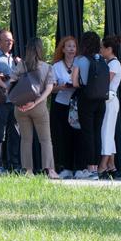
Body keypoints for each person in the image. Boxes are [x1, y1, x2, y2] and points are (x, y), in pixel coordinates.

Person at [10, 38, 58, 179]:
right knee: (45, 139)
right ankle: (50, 170)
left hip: (20, 107)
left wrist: (19, 102)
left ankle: (28, 171)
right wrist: (35, 102)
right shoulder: (47, 67)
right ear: (40, 49)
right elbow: (49, 89)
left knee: (25, 139)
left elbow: (11, 84)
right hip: (39, 108)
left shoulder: (21, 66)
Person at [71, 31, 104, 180]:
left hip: (86, 98)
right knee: (97, 133)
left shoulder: (80, 60)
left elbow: (75, 82)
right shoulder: (101, 59)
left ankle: (89, 168)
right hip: (101, 100)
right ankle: (96, 168)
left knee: (87, 133)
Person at [49, 35, 80, 179]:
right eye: (68, 46)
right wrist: (62, 87)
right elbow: (51, 88)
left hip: (75, 105)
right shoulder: (56, 66)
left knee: (76, 136)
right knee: (61, 137)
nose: (71, 49)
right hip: (60, 105)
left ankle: (77, 167)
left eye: (73, 46)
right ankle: (63, 167)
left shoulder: (79, 63)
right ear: (63, 49)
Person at [0, 27, 21, 172]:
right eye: (6, 40)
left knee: (15, 134)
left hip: (14, 101)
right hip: (1, 100)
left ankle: (13, 165)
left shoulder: (14, 59)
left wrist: (21, 65)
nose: (10, 43)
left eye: (11, 41)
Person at [98, 34, 121, 179]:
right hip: (108, 101)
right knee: (108, 132)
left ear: (109, 49)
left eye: (102, 48)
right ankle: (111, 165)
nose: (100, 50)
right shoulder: (110, 63)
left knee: (106, 133)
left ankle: (102, 165)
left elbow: (105, 82)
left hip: (110, 100)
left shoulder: (113, 64)